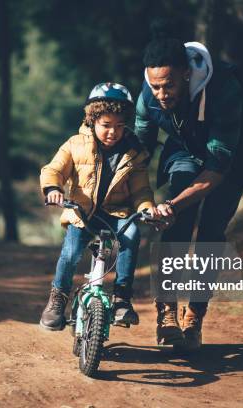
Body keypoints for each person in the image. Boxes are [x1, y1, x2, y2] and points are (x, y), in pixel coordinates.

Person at [134, 31, 243, 348]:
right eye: (155, 87)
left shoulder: (224, 89)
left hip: (232, 159)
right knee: (176, 222)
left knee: (210, 231)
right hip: (185, 151)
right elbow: (139, 152)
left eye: (169, 86)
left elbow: (217, 168)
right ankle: (166, 312)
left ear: (185, 73)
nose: (162, 94)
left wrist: (173, 205)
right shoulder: (147, 97)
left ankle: (194, 314)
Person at [39, 82, 160, 331]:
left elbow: (140, 190)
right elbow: (54, 170)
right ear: (92, 120)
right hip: (81, 212)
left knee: (132, 234)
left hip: (117, 215)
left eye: (118, 126)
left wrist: (146, 207)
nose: (112, 132)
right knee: (71, 253)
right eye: (106, 125)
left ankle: (122, 298)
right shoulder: (75, 144)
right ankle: (57, 300)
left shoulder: (134, 153)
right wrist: (53, 189)